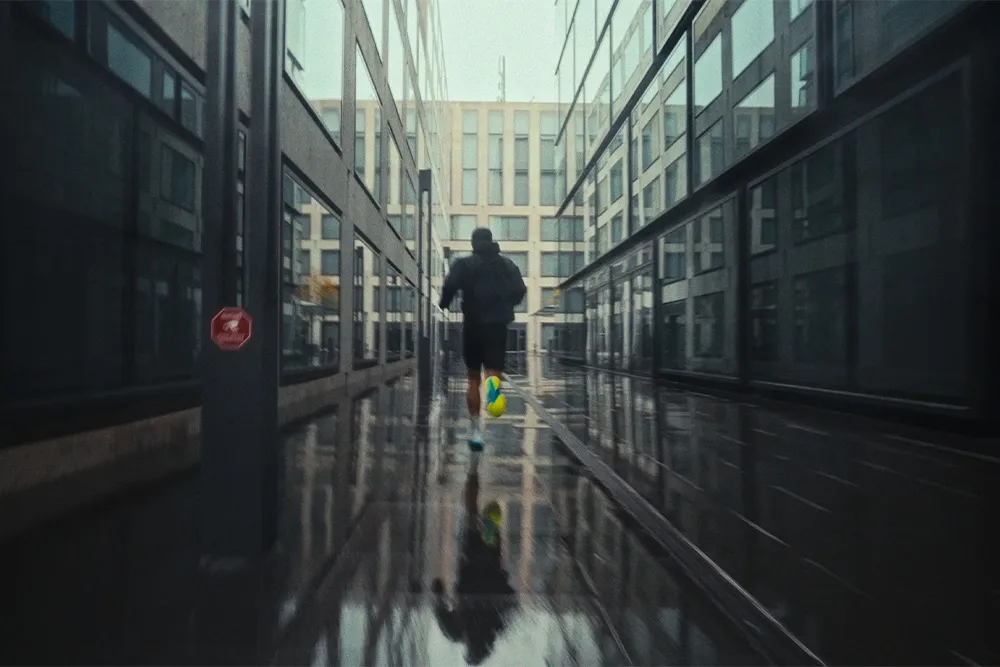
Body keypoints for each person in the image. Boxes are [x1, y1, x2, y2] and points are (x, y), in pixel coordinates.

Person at [439, 227, 526, 450]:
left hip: (473, 324)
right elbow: (520, 289)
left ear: (473, 243)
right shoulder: (507, 265)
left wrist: (444, 303)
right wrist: (506, 305)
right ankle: (495, 393)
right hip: (498, 325)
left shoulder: (464, 264)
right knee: (493, 371)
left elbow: (449, 285)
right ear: (491, 241)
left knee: (473, 378)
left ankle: (476, 430)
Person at [431, 460, 516, 665]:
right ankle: (473, 474)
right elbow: (439, 604)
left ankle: (489, 516)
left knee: (486, 525)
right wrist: (439, 589)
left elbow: (511, 601)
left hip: (488, 562)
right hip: (470, 562)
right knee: (470, 514)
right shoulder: (456, 632)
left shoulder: (495, 629)